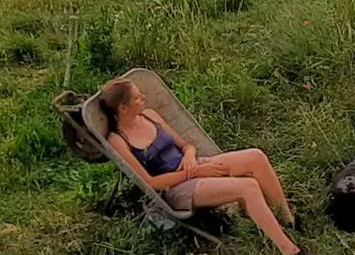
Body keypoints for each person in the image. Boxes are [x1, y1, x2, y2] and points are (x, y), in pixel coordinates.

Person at [99, 78, 305, 255]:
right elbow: (151, 182)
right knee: (248, 186)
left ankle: (288, 220)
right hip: (175, 188)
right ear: (123, 108)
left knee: (256, 157)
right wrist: (194, 173)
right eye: (137, 97)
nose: (143, 97)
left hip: (193, 166)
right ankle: (289, 250)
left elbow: (186, 145)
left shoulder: (150, 115)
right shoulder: (118, 140)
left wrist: (190, 157)